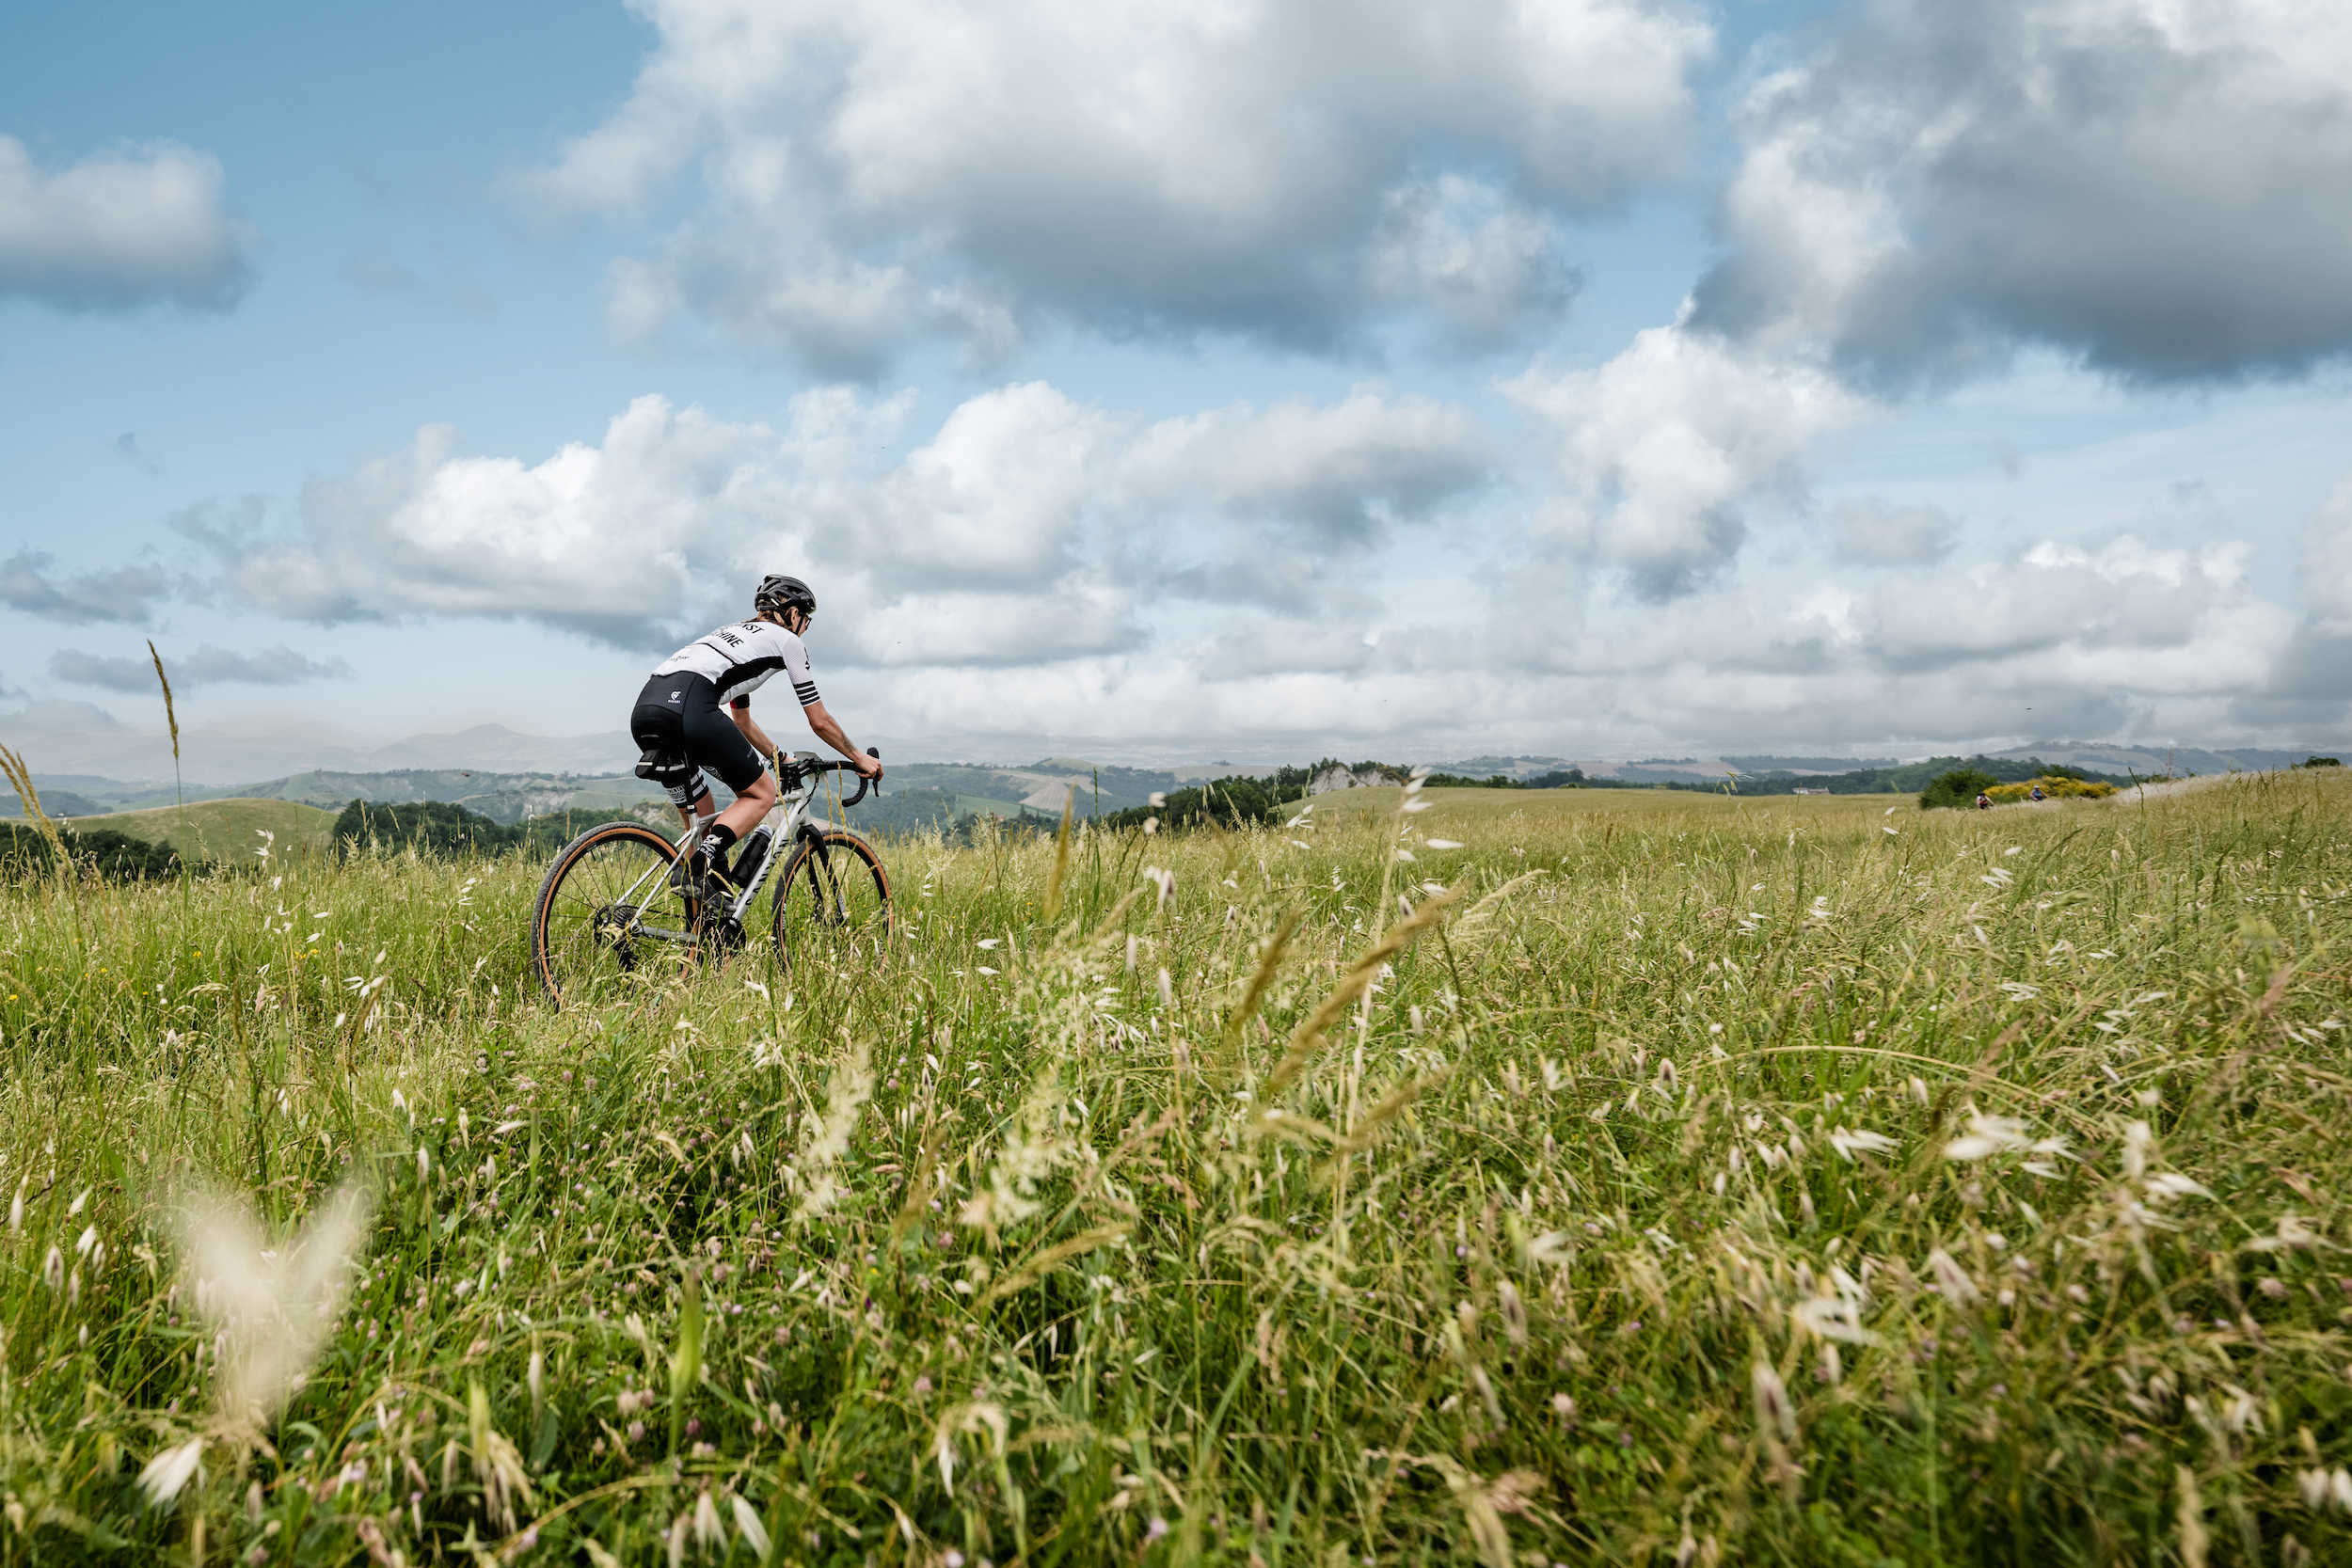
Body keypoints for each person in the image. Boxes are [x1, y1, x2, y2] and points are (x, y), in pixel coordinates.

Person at [630, 574, 883, 897]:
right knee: (761, 794)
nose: (805, 627)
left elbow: (741, 721)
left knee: (703, 818)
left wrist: (779, 758)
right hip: (690, 709)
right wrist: (860, 758)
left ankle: (707, 928)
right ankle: (696, 869)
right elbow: (819, 720)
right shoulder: (789, 641)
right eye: (806, 619)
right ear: (794, 614)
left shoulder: (734, 634)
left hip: (648, 711)